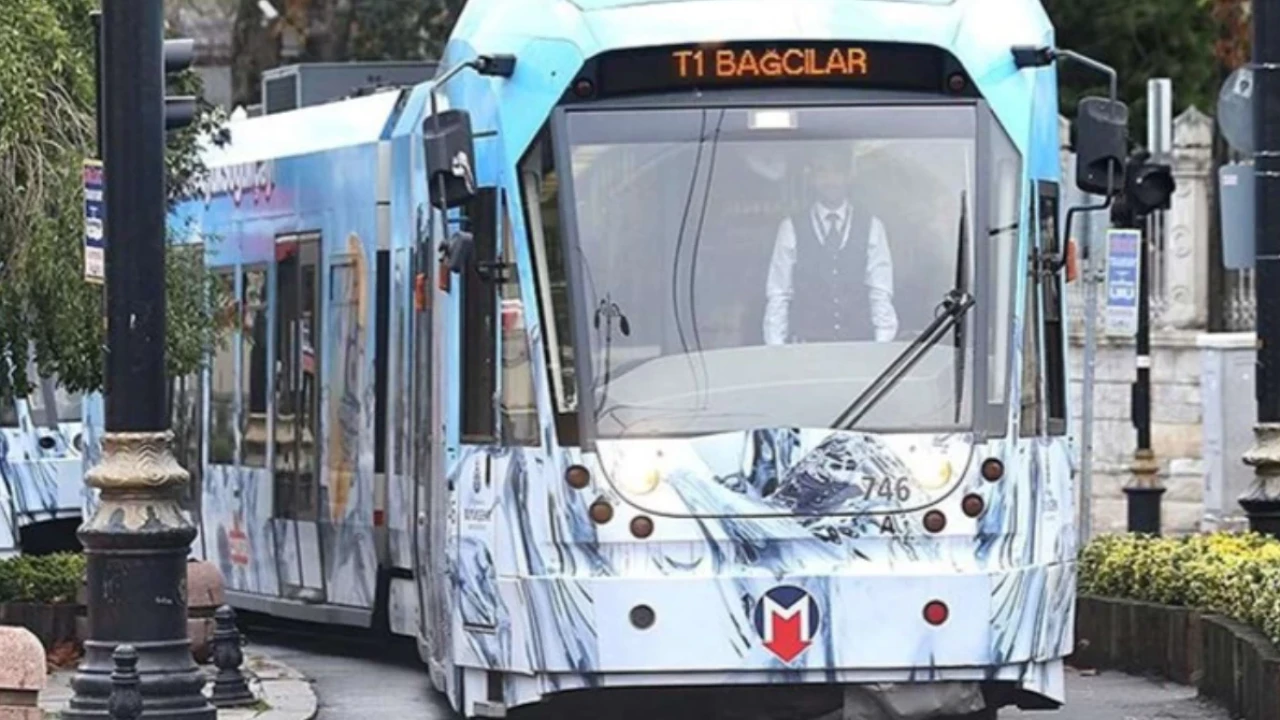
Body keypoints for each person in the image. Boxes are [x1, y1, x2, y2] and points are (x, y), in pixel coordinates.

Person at [762, 151, 898, 345]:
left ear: (849, 176)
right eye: (822, 172)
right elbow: (779, 293)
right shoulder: (791, 228)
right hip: (807, 348)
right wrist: (776, 348)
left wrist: (882, 345)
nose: (830, 180)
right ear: (812, 178)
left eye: (837, 172)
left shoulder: (872, 226)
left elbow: (880, 291)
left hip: (859, 347)